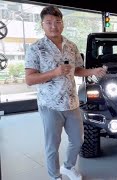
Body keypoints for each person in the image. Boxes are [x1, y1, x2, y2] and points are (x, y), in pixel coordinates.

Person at [25, 5, 106, 180]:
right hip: (50, 105)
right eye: (49, 22)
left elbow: (77, 70)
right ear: (42, 25)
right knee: (52, 146)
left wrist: (93, 72)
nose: (53, 26)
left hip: (72, 103)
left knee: (78, 141)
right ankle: (55, 176)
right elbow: (29, 79)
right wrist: (54, 73)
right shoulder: (36, 48)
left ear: (62, 24)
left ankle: (68, 167)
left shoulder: (71, 45)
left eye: (57, 22)